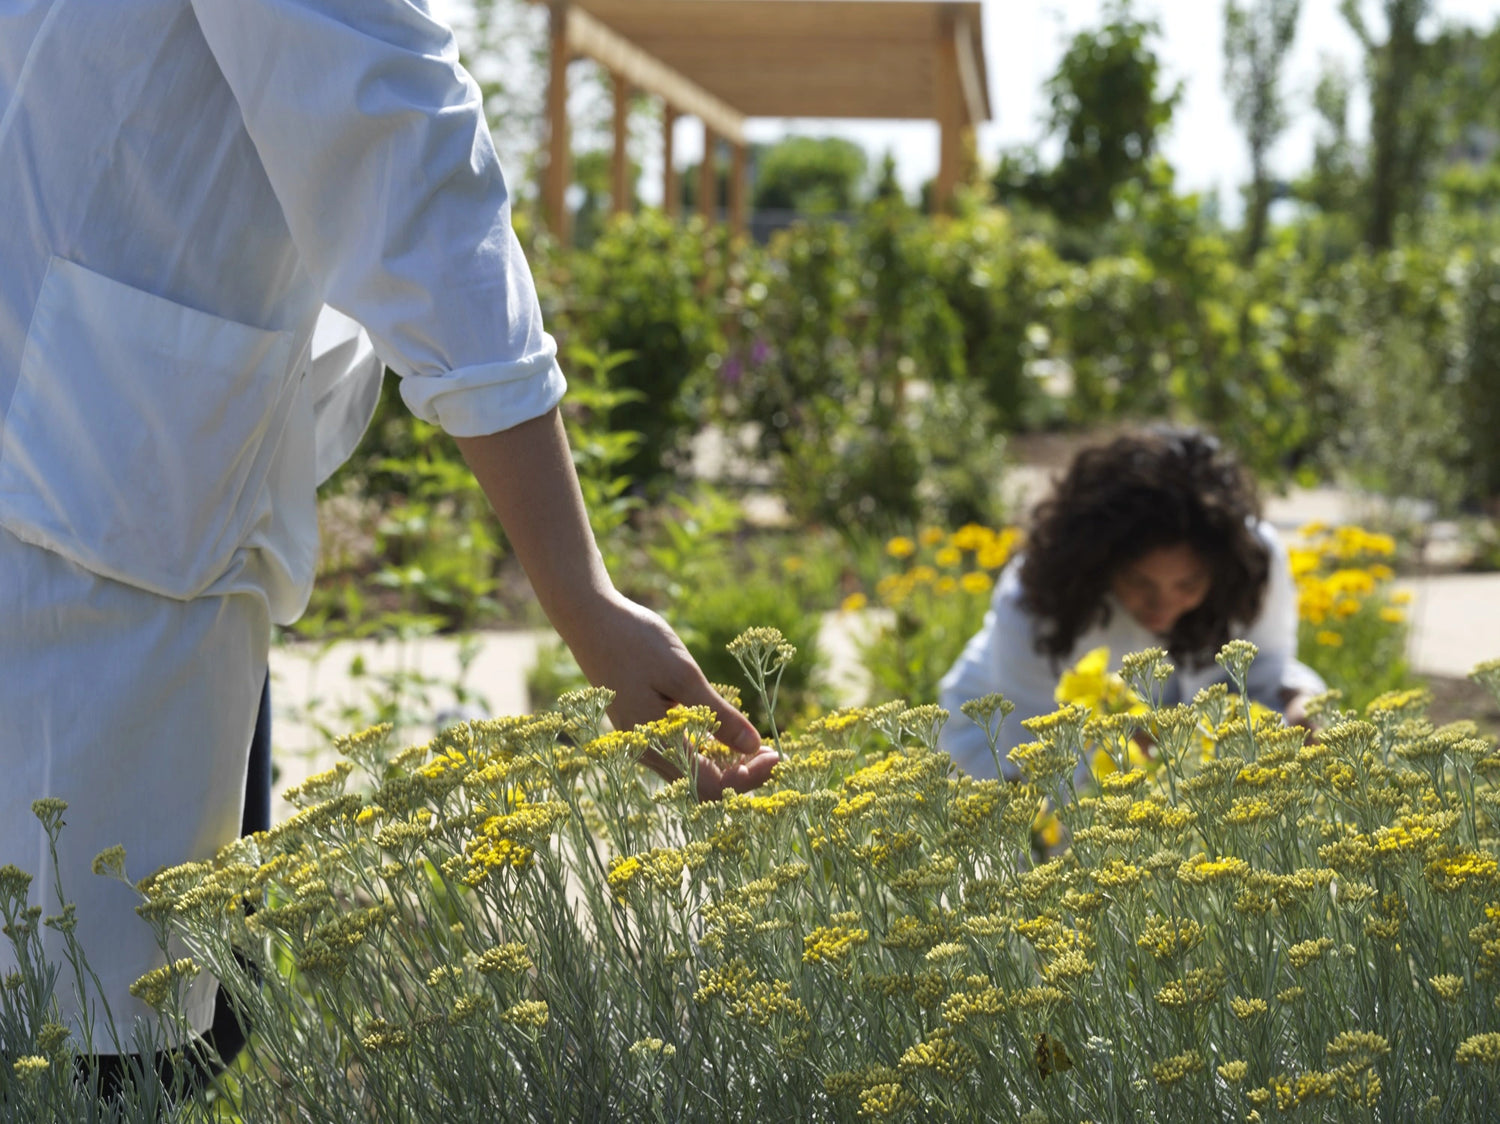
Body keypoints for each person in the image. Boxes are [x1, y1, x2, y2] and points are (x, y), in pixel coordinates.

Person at [0, 0, 776, 1062]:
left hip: (135, 508)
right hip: (99, 550)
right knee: (106, 1040)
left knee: (131, 1011)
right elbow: (414, 174)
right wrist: (584, 599)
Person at [938, 427, 1325, 780]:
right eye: (1140, 582)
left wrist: (1298, 701)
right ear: (1103, 562)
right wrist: (1131, 741)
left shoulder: (1253, 562)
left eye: (1188, 583)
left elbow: (1263, 676)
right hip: (998, 744)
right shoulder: (1035, 597)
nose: (1162, 604)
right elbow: (1037, 757)